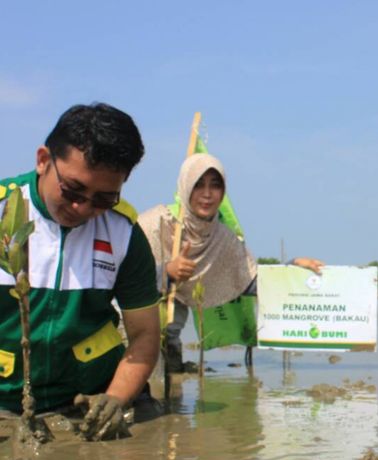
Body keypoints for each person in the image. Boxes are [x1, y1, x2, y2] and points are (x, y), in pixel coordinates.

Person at [0, 103, 160, 440]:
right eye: (72, 190)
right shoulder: (4, 211)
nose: (82, 208)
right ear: (43, 160)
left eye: (103, 199)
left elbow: (145, 335)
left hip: (87, 396)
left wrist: (115, 399)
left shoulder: (124, 234)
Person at [138, 153, 323, 373]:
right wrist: (167, 272)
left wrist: (292, 269)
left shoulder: (223, 238)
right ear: (185, 187)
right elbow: (121, 279)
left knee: (170, 394)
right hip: (134, 340)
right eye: (198, 185)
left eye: (215, 186)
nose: (207, 194)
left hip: (170, 343)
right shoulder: (156, 223)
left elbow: (250, 280)